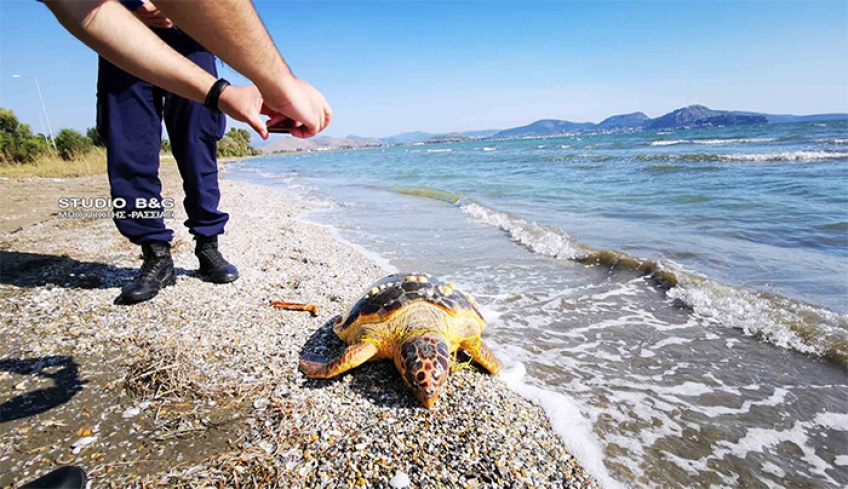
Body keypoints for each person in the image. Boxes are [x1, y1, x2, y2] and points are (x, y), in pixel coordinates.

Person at [41, 0, 333, 304]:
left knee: (198, 146)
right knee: (130, 146)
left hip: (190, 37)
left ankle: (208, 243)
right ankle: (155, 253)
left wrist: (177, 8)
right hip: (120, 27)